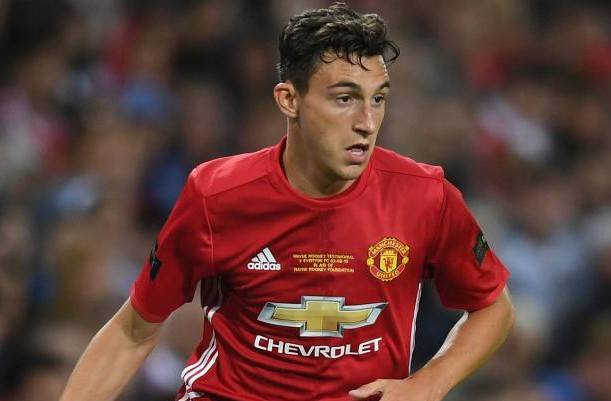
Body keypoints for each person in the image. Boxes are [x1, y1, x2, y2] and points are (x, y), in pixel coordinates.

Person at [60, 3, 515, 401]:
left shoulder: (424, 195)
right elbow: (134, 329)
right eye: (345, 98)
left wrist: (429, 383)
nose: (366, 121)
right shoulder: (217, 195)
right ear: (289, 99)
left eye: (378, 99)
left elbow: (493, 306)